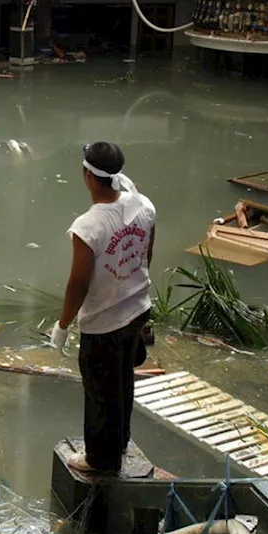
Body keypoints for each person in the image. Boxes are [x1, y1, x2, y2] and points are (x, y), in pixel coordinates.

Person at [50, 142, 155, 474]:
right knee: (123, 381)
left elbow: (78, 283)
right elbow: (146, 255)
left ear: (88, 176)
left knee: (99, 392)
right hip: (138, 311)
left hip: (103, 324)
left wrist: (63, 325)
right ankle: (119, 441)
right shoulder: (143, 206)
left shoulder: (88, 226)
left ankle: (99, 459)